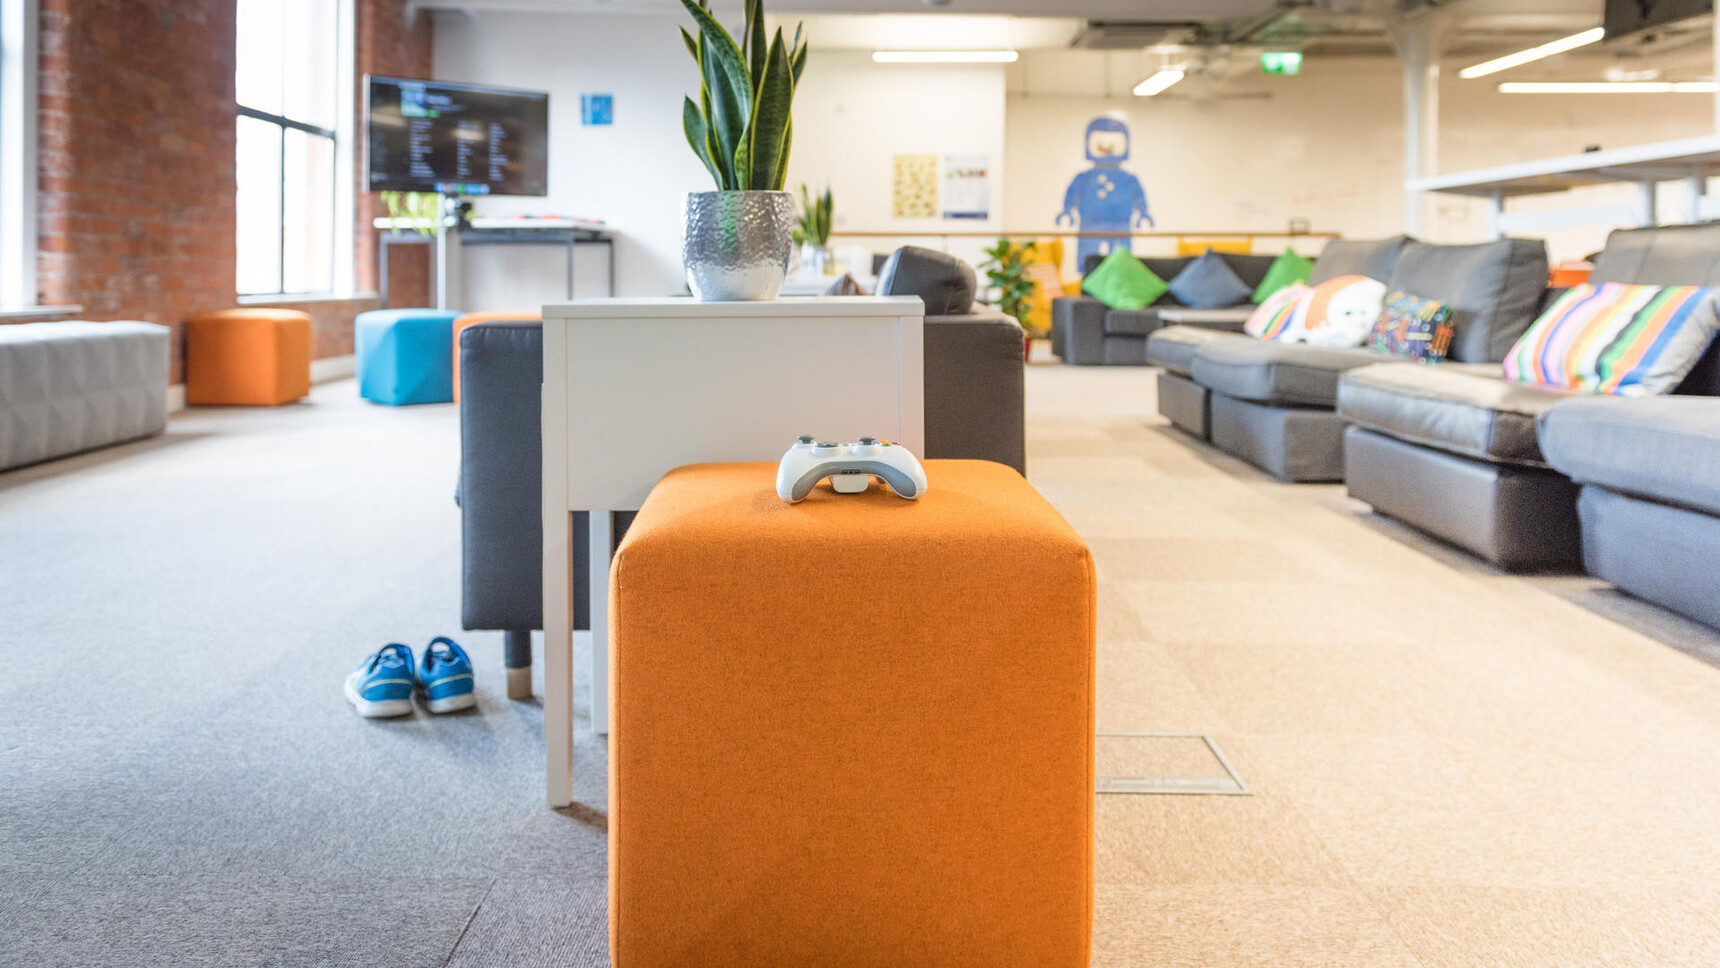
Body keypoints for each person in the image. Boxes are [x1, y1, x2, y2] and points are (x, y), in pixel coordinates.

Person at [1056, 117, 1154, 270]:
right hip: (1089, 224)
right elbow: (1073, 193)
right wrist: (1067, 210)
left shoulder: (1128, 178)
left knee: (1121, 261)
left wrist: (1143, 212)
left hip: (1120, 224)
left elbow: (1138, 195)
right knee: (1088, 258)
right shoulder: (1084, 177)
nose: (1107, 149)